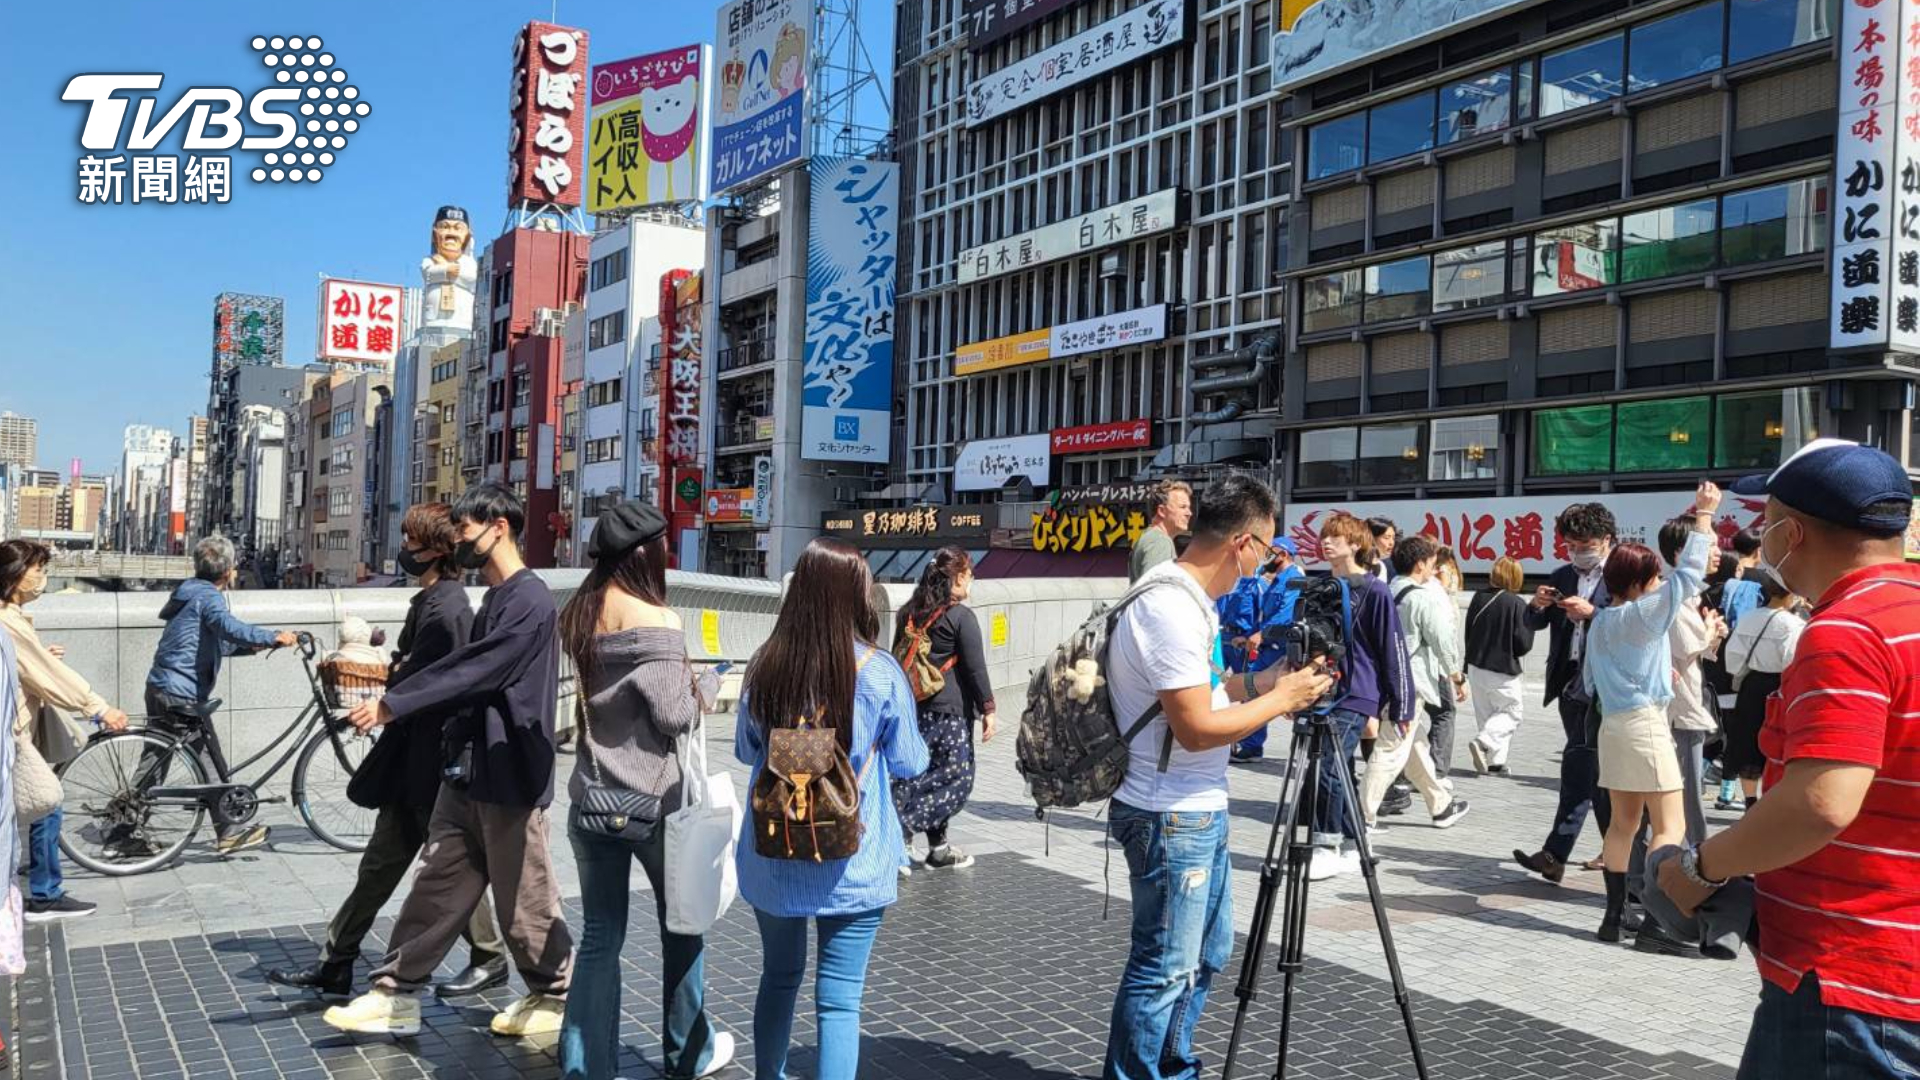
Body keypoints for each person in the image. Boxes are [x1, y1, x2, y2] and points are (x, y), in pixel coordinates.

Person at [1656, 440, 1920, 1078]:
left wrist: (1701, 868)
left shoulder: (1847, 632)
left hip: (1848, 980)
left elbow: (1820, 803)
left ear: (1792, 532)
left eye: (1765, 517)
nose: (1757, 532)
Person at [1101, 474, 1334, 1080]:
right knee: (1165, 965)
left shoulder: (1190, 603)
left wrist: (1268, 680)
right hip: (1168, 812)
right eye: (1268, 550)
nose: (1265, 566)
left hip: (1195, 806)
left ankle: (1173, 1066)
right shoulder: (1169, 607)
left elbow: (1211, 691)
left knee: (1206, 954)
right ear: (1242, 542)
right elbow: (1196, 727)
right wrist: (1283, 700)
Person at [325, 483, 572, 1038]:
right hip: (468, 769)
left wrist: (392, 703)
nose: (458, 540)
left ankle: (555, 995)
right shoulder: (498, 598)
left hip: (510, 772)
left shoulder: (530, 601)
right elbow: (467, 673)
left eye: (464, 529)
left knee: (523, 897)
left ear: (498, 528)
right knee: (437, 883)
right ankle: (395, 993)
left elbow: (476, 669)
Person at [267, 504, 506, 1001]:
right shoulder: (431, 602)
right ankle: (338, 959)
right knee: (386, 867)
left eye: (411, 543)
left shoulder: (449, 609)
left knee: (443, 871)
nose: (405, 551)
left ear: (438, 551)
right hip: (409, 760)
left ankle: (490, 956)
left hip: (428, 762)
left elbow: (447, 683)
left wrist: (392, 689)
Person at [734, 538, 930, 1080]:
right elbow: (911, 762)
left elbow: (747, 750)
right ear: (853, 597)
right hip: (854, 856)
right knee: (840, 999)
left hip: (774, 853)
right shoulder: (879, 671)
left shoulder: (765, 665)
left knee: (777, 978)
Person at [556, 501, 734, 1080]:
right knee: (683, 925)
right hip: (655, 807)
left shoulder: (579, 612)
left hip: (592, 797)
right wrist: (709, 680)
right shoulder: (657, 623)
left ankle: (585, 1066)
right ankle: (689, 1053)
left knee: (600, 937)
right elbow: (676, 716)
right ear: (644, 554)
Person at [1582, 481, 1720, 942]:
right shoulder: (1644, 613)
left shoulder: (1601, 619)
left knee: (1623, 825)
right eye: (1654, 578)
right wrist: (1703, 515)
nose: (1660, 584)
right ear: (1641, 583)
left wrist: (1658, 675)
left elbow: (1590, 681)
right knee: (1670, 824)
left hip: (1614, 727)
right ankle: (1660, 921)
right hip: (1647, 725)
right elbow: (1690, 576)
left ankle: (1614, 916)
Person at [0, 540, 131, 921]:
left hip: (18, 728)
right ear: (13, 576)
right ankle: (43, 894)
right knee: (47, 801)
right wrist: (99, 707)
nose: (42, 579)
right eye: (37, 570)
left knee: (39, 806)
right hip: (14, 733)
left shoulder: (12, 616)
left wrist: (40, 654)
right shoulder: (8, 620)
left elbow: (32, 666)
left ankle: (37, 886)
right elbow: (49, 676)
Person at [143, 535, 297, 856]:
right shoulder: (209, 597)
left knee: (157, 761)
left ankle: (124, 825)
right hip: (181, 691)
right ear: (228, 570)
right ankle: (229, 832)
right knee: (208, 762)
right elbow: (227, 626)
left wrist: (251, 647)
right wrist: (272, 637)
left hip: (162, 685)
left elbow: (214, 642)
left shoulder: (188, 594)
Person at [1512, 502, 1616, 884]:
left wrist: (1594, 614)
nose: (1577, 551)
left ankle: (1605, 855)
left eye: (1584, 543)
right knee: (1583, 770)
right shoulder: (1562, 575)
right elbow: (1534, 622)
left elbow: (1639, 625)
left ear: (1607, 540)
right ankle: (1571, 853)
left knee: (1591, 773)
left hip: (1607, 688)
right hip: (1570, 683)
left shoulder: (1624, 575)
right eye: (1570, 544)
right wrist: (1538, 605)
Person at [1306, 512, 1412, 883]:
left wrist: (1401, 704)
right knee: (1335, 768)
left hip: (1359, 690)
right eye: (1324, 536)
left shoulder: (1375, 590)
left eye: (1336, 537)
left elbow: (1393, 647)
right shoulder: (1319, 587)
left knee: (1328, 765)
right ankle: (1355, 844)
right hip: (1321, 690)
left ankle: (1326, 845)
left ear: (1355, 544)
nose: (1327, 542)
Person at [891, 546, 996, 874]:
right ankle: (901, 831)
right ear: (958, 577)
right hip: (950, 712)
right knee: (956, 778)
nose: (972, 581)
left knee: (917, 773)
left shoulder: (909, 613)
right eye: (969, 575)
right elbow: (975, 670)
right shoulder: (961, 617)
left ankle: (938, 848)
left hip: (915, 708)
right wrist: (988, 709)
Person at [1360, 535, 1470, 830]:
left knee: (1415, 746)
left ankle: (1441, 805)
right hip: (1410, 686)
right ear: (1421, 563)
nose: (1434, 569)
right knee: (1390, 750)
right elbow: (1442, 641)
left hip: (1384, 680)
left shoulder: (1386, 590)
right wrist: (1457, 676)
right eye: (1433, 563)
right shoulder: (1421, 598)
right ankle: (1362, 816)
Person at [1721, 575, 1806, 810]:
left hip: (1752, 684)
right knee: (1776, 741)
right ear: (1791, 594)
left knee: (1747, 742)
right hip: (1780, 687)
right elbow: (1792, 660)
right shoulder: (1795, 625)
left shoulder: (1749, 618)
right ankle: (1772, 800)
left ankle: (1749, 800)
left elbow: (1733, 656)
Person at [1230, 538, 1305, 762]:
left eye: (1271, 552)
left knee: (1291, 702)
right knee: (1251, 693)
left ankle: (1301, 751)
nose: (1266, 557)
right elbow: (1264, 616)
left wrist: (1260, 635)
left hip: (1282, 650)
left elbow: (1286, 614)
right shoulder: (1275, 581)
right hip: (1267, 648)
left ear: (1284, 554)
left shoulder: (1294, 579)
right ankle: (1251, 746)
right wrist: (1247, 636)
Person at [1464, 556, 1535, 776]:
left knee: (1487, 714)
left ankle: (1496, 762)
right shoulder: (1516, 604)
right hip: (1502, 668)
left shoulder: (1478, 597)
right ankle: (1484, 743)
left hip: (1476, 665)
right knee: (1511, 712)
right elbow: (1523, 644)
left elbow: (1468, 631)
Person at [1422, 544, 1465, 779]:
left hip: (1415, 664)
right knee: (1444, 713)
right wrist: (1456, 675)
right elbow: (1442, 635)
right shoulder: (1434, 591)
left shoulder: (1399, 585)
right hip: (1432, 664)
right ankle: (1435, 769)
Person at [1129, 480, 1193, 582]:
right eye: (1182, 507)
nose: (1189, 513)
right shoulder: (1159, 541)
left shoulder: (1151, 538)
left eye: (1189, 508)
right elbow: (1154, 590)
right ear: (1162, 511)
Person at [1365, 517, 1398, 582]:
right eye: (1386, 538)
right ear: (1372, 538)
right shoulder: (1357, 563)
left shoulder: (1390, 565)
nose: (1391, 543)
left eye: (1393, 538)